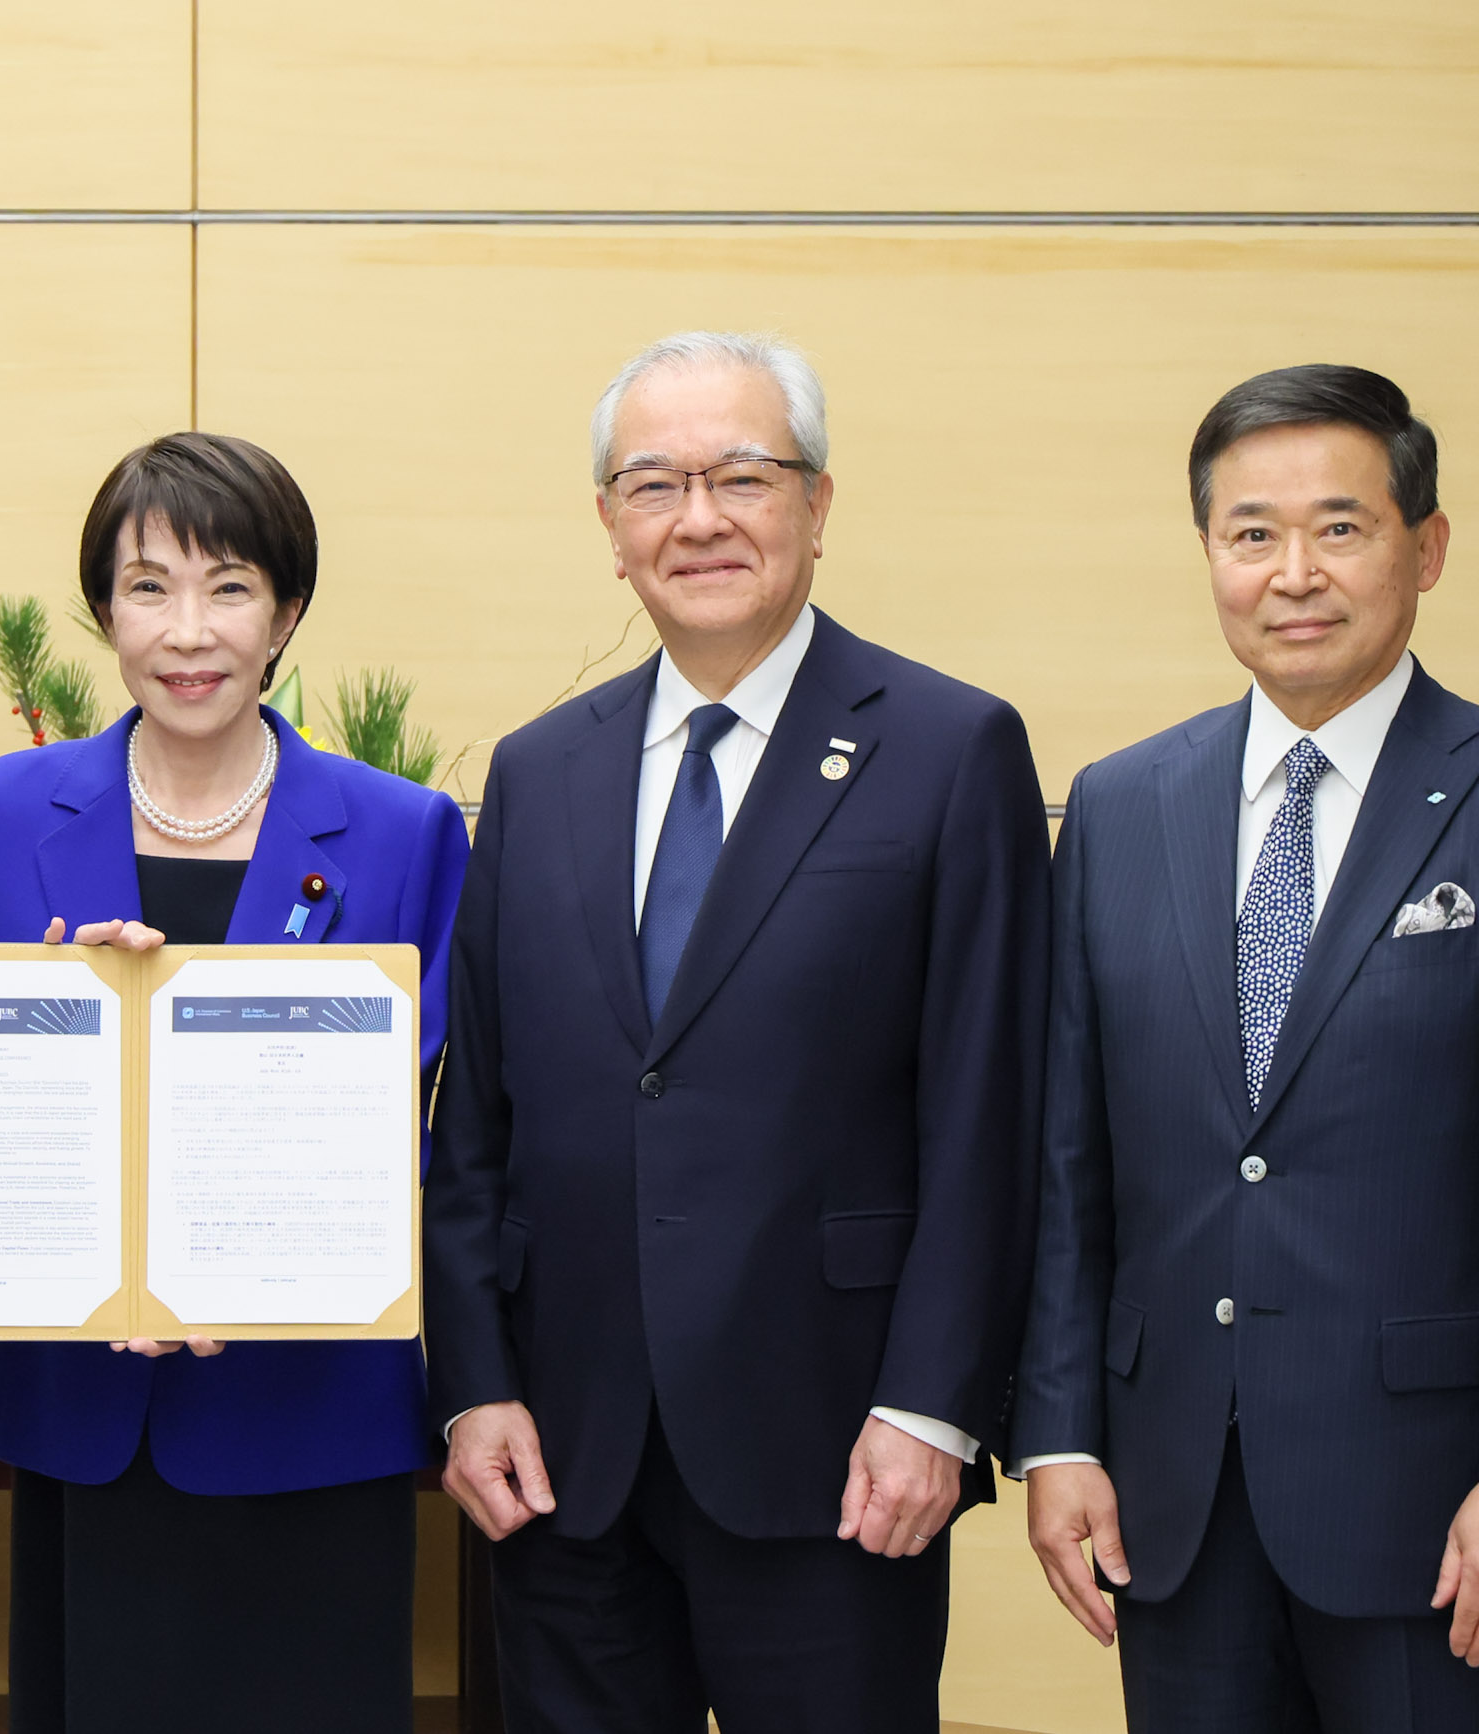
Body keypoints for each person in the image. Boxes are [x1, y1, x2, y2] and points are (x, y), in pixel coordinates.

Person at [425, 331, 1051, 1729]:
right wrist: (474, 1387)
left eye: (743, 477)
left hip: (837, 1447)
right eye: (654, 484)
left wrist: (934, 1406)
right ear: (609, 526)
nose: (697, 518)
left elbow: (989, 1114)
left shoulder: (951, 750)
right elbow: (476, 1125)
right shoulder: (537, 770)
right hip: (563, 1456)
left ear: (818, 505)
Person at [0, 432, 469, 1734]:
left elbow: (425, 1130)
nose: (189, 630)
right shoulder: (10, 811)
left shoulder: (401, 830)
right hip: (89, 1413)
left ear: (287, 612)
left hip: (312, 1417)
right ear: (102, 611)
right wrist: (32, 1016)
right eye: (148, 586)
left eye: (229, 586)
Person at [1015, 364, 1479, 1727]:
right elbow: (1070, 1158)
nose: (1293, 571)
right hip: (1173, 1498)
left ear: (1427, 548)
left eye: (1340, 527)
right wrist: (1057, 1430)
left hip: (1437, 1510)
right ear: (1211, 556)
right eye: (1252, 534)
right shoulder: (1119, 805)